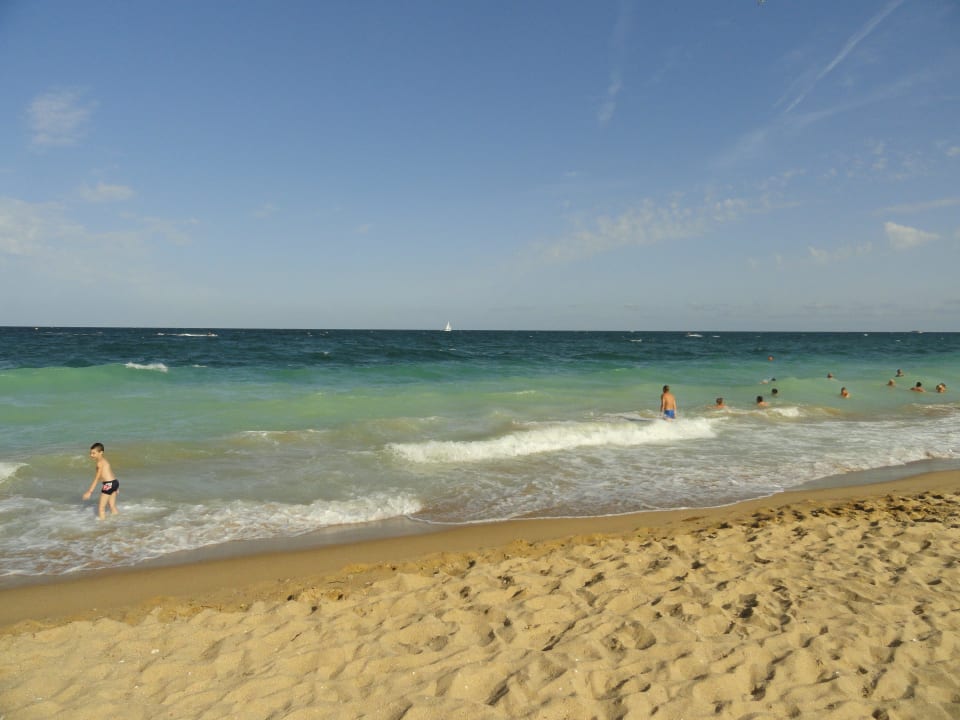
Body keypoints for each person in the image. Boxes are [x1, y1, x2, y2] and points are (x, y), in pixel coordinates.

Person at [83, 442, 119, 519]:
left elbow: (97, 478)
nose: (91, 455)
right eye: (90, 453)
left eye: (93, 453)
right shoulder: (105, 461)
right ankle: (118, 522)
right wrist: (116, 487)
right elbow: (111, 472)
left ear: (101, 452)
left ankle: (103, 528)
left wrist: (89, 491)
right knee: (112, 505)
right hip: (114, 482)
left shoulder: (99, 463)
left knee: (101, 508)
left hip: (108, 484)